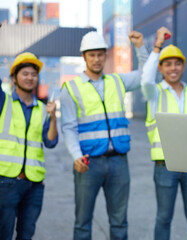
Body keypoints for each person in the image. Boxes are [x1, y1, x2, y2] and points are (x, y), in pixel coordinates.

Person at [60, 30, 148, 240]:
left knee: (119, 223)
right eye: (92, 55)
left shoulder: (117, 81)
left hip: (118, 162)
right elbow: (69, 127)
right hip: (88, 163)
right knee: (82, 223)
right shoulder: (71, 89)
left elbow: (145, 75)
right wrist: (76, 156)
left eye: (100, 54)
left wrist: (140, 47)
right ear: (84, 57)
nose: (97, 59)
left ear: (106, 55)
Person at [141, 27, 187, 240]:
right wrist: (157, 47)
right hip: (166, 165)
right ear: (160, 68)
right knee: (164, 218)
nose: (173, 68)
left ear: (183, 66)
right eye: (168, 64)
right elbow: (145, 78)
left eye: (177, 63)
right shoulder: (154, 93)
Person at [0, 52, 58, 240]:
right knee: (3, 234)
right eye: (25, 73)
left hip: (33, 185)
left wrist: (53, 116)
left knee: (26, 235)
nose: (30, 77)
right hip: (6, 181)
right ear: (14, 77)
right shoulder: (4, 102)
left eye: (34, 74)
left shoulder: (42, 109)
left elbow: (50, 142)